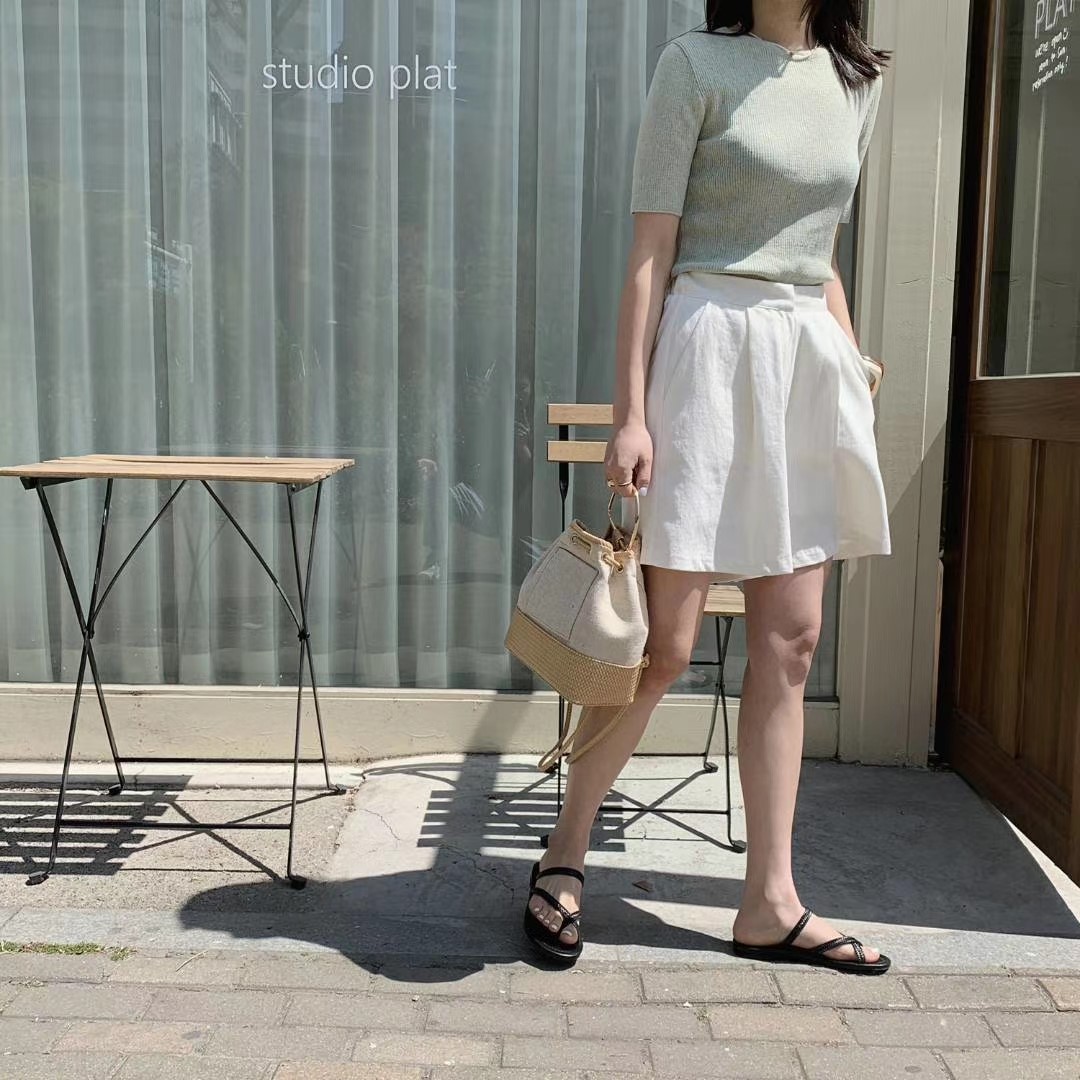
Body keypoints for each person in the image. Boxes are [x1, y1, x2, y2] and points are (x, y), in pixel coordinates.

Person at [522, 0, 894, 976]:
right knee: (664, 648)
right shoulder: (692, 64)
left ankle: (770, 903)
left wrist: (853, 363)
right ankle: (565, 850)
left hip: (805, 362)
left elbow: (820, 252)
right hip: (708, 348)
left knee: (792, 641)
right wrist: (630, 413)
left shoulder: (855, 82)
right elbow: (651, 254)